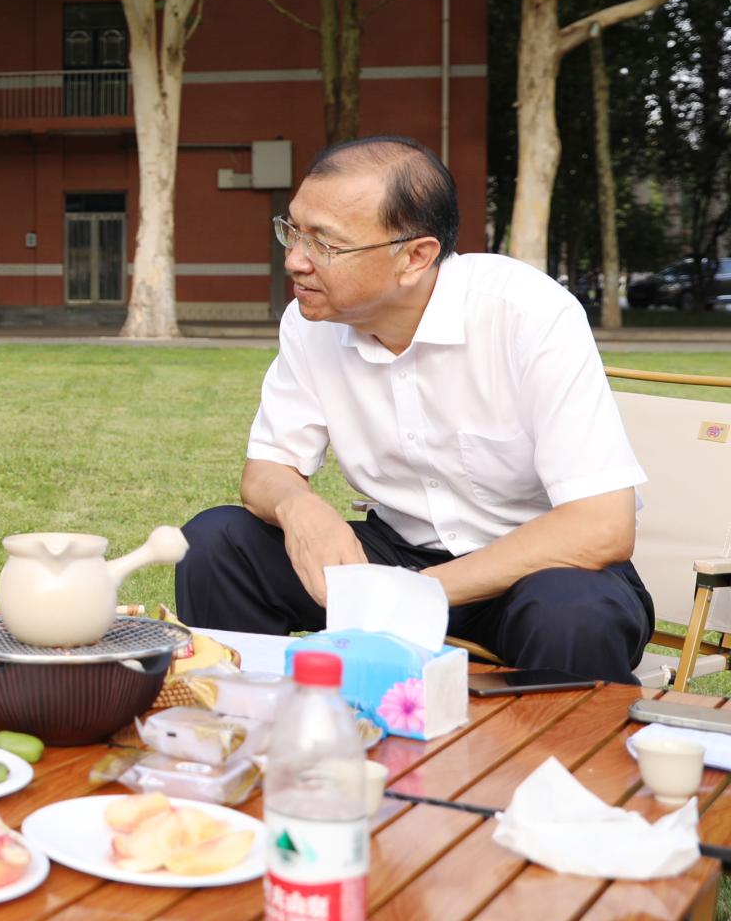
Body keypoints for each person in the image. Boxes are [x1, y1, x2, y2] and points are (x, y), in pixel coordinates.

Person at [174, 136, 654, 683]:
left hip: (536, 568)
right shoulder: (312, 323)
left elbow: (601, 527)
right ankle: (247, 717)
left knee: (574, 613)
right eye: (293, 231)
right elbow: (267, 469)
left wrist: (411, 595)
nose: (295, 260)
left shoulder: (527, 314)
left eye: (324, 244)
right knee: (217, 542)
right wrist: (299, 507)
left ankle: (557, 745)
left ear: (415, 257)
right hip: (397, 551)